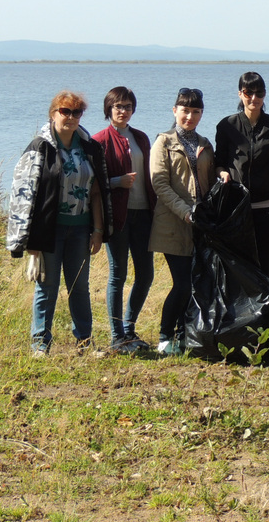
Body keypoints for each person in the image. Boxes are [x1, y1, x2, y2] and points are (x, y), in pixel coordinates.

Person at [7, 91, 112, 355]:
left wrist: (98, 230)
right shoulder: (39, 147)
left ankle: (85, 343)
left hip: (80, 228)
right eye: (65, 111)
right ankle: (40, 345)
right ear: (53, 114)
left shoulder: (90, 147)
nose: (71, 117)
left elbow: (97, 191)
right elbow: (23, 195)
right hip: (49, 230)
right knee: (47, 287)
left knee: (80, 288)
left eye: (77, 112)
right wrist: (30, 241)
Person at [148, 87, 212, 356]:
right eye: (185, 111)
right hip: (173, 224)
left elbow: (209, 175)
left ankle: (184, 334)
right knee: (182, 283)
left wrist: (221, 173)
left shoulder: (205, 143)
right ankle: (165, 337)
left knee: (198, 283)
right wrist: (185, 211)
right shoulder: (163, 141)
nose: (190, 116)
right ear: (175, 111)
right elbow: (159, 183)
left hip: (201, 225)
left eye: (196, 112)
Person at [93, 86, 157, 354]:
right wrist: (116, 182)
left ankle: (129, 330)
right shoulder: (99, 141)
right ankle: (116, 335)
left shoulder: (141, 138)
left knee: (146, 274)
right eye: (118, 106)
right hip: (118, 216)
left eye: (128, 106)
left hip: (144, 213)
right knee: (118, 274)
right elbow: (92, 184)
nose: (123, 111)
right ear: (109, 108)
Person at [214, 72, 269, 278]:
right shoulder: (226, 125)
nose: (254, 98)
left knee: (264, 265)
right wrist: (223, 174)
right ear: (240, 94)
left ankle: (266, 309)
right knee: (236, 265)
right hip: (235, 207)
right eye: (248, 92)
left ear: (265, 95)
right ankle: (237, 310)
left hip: (265, 207)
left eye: (259, 93)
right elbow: (218, 162)